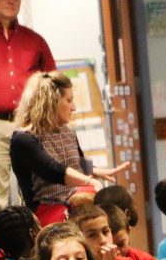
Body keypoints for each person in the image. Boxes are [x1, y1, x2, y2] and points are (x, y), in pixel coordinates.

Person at [0, 0, 56, 210]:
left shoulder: (34, 41)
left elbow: (51, 84)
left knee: (34, 187)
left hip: (27, 124)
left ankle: (30, 241)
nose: (11, 0)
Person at [9, 72, 128, 224]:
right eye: (69, 100)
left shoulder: (67, 130)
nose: (74, 107)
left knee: (118, 203)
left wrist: (95, 171)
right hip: (49, 206)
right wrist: (90, 181)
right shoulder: (23, 139)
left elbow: (76, 162)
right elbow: (52, 170)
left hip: (77, 196)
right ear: (51, 102)